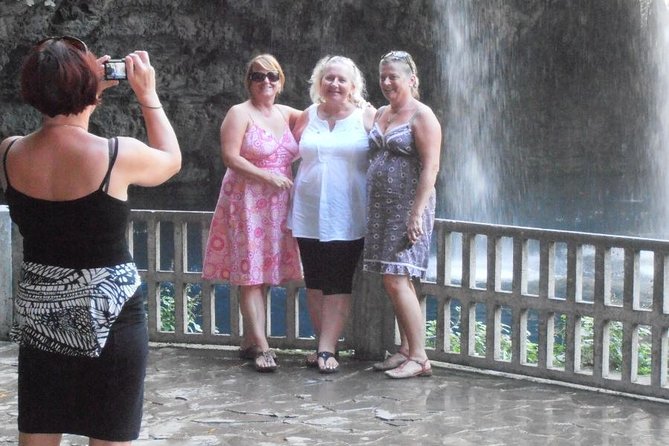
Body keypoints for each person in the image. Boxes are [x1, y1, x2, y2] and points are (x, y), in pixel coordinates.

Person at [0, 37, 181, 444]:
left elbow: (59, 121)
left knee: (40, 433)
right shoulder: (116, 155)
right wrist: (147, 95)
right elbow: (171, 160)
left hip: (43, 313)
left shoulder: (9, 153)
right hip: (111, 314)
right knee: (109, 434)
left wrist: (80, 88)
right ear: (89, 90)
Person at [202, 54, 302, 373]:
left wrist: (362, 108)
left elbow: (327, 113)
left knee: (267, 271)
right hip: (246, 201)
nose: (266, 82)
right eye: (258, 77)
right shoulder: (239, 112)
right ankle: (262, 346)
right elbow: (230, 157)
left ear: (281, 80)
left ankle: (248, 340)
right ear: (249, 81)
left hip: (278, 204)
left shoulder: (288, 114)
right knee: (250, 276)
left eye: (272, 76)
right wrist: (266, 176)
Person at [289, 55, 376, 374]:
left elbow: (389, 149)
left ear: (353, 86)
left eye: (341, 79)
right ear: (318, 83)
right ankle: (325, 345)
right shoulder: (307, 115)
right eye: (328, 78)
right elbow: (284, 149)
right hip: (308, 210)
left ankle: (325, 349)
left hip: (347, 211)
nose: (334, 84)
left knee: (338, 282)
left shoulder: (366, 116)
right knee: (313, 281)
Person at [363, 50, 442, 379]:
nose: (386, 82)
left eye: (393, 76)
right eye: (382, 76)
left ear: (411, 79)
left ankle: (420, 358)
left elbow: (431, 167)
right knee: (394, 279)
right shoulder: (381, 112)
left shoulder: (422, 116)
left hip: (408, 207)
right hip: (382, 209)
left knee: (397, 279)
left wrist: (416, 214)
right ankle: (407, 349)